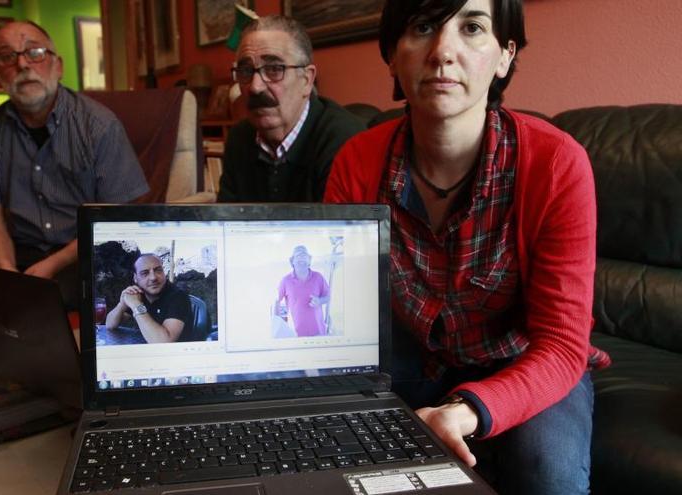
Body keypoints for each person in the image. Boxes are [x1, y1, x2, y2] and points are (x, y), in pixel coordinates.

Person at [324, 1, 609, 494]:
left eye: (472, 28)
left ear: (504, 55)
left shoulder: (558, 163)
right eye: (423, 27)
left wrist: (470, 409)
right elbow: (344, 321)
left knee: (550, 475)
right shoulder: (357, 162)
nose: (443, 52)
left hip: (526, 360)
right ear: (393, 55)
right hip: (411, 357)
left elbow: (563, 344)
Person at [0, 21, 149, 310]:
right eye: (7, 56)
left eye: (35, 52)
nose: (23, 64)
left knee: (40, 313)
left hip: (88, 254)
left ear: (58, 66)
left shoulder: (99, 126)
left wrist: (52, 265)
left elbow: (116, 218)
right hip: (22, 255)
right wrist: (5, 268)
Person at [217, 16, 365, 202]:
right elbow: (226, 223)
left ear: (306, 80)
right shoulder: (239, 139)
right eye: (246, 71)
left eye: (274, 69)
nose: (255, 87)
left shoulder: (344, 141)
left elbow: (337, 230)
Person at [105, 254, 194, 343]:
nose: (153, 277)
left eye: (158, 270)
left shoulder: (178, 297)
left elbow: (163, 342)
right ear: (135, 278)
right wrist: (122, 304)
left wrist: (137, 305)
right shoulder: (139, 293)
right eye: (145, 273)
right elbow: (110, 325)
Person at [276, 246, 330, 337]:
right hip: (296, 336)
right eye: (298, 256)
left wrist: (320, 301)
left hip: (319, 334)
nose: (301, 259)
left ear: (309, 261)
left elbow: (329, 297)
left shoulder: (318, 277)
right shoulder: (286, 281)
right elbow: (277, 301)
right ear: (292, 261)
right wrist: (277, 324)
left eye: (304, 256)